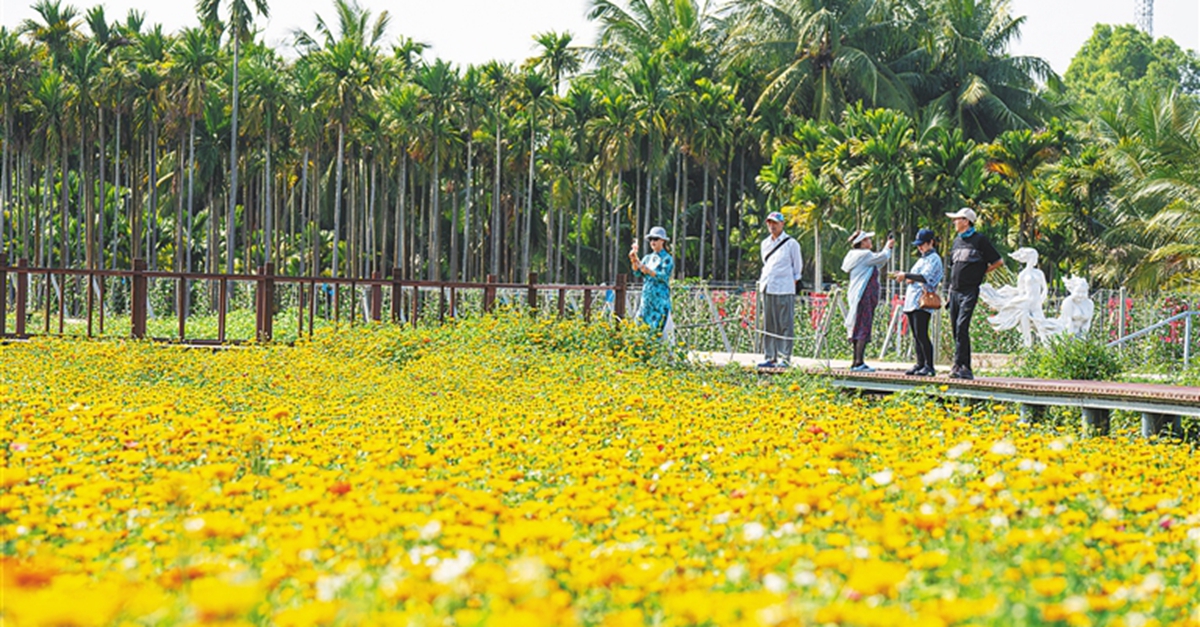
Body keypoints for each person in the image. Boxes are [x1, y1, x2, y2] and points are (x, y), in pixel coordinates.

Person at [945, 207, 1003, 380]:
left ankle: (961, 365)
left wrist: (980, 272)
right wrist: (948, 292)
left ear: (966, 221)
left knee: (962, 326)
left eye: (957, 219)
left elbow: (998, 261)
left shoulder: (980, 240)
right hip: (954, 292)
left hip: (969, 291)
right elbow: (952, 267)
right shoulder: (956, 242)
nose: (954, 222)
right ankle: (962, 366)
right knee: (956, 329)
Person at [893, 228, 943, 376]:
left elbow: (925, 277)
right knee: (915, 335)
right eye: (918, 245)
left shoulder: (934, 259)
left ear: (931, 243)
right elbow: (914, 277)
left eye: (923, 244)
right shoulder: (922, 259)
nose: (920, 247)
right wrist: (907, 277)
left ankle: (929, 365)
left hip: (923, 301)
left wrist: (907, 275)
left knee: (922, 334)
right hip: (912, 300)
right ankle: (920, 363)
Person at [756, 211, 804, 368]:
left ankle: (785, 357)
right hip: (768, 286)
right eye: (769, 223)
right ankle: (770, 356)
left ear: (782, 224)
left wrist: (792, 283)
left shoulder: (791, 243)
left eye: (775, 223)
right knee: (769, 323)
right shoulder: (765, 243)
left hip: (784, 288)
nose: (772, 226)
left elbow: (797, 268)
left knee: (785, 323)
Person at [841, 230, 894, 372]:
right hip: (863, 295)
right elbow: (882, 258)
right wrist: (888, 247)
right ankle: (859, 362)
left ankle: (856, 361)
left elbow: (877, 264)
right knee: (863, 327)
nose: (870, 241)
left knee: (857, 327)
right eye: (867, 239)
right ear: (862, 242)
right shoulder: (865, 254)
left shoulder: (855, 255)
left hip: (858, 295)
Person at [979, 247, 1051, 347]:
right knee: (1025, 322)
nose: (1035, 259)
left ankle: (1047, 347)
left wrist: (1042, 299)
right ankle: (1027, 346)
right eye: (1034, 257)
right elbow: (1021, 290)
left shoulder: (1039, 273)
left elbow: (1044, 288)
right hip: (1025, 302)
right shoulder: (1022, 275)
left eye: (1036, 257)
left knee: (1041, 325)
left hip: (1036, 304)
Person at [629, 226, 675, 335]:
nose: (652, 242)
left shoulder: (667, 259)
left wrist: (648, 270)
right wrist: (634, 261)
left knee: (658, 328)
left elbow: (664, 276)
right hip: (647, 298)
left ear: (662, 241)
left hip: (660, 300)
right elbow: (637, 272)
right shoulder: (647, 258)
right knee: (640, 326)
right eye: (651, 239)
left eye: (655, 239)